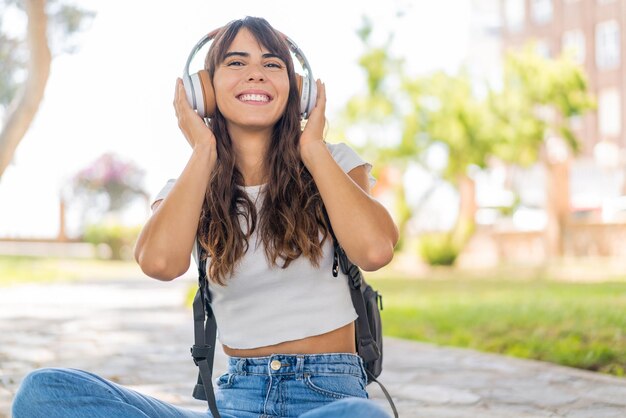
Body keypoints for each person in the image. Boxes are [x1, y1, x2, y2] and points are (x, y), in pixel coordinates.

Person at [11, 16, 399, 418]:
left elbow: (375, 250)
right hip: (237, 401)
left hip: (329, 397)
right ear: (203, 91)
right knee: (44, 392)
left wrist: (312, 147)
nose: (255, 74)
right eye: (235, 63)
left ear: (297, 89)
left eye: (271, 64)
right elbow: (160, 263)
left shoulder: (332, 162)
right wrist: (202, 151)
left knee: (363, 417)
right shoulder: (190, 187)